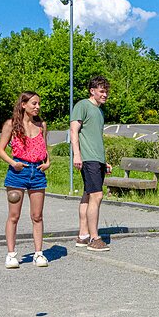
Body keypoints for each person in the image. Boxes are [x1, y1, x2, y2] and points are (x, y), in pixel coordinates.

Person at [0, 91, 52, 268]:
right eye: (34, 103)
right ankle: (11, 254)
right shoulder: (11, 125)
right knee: (14, 215)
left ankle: (38, 253)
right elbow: (0, 150)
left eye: (38, 104)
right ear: (23, 105)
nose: (37, 107)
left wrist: (48, 162)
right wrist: (14, 163)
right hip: (17, 172)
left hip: (37, 173)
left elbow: (44, 147)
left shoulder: (42, 125)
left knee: (37, 215)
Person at [70, 76, 112, 252]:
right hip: (88, 159)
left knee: (88, 195)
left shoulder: (100, 111)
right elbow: (74, 130)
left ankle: (83, 235)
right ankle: (95, 238)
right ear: (92, 90)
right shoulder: (82, 106)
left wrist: (104, 161)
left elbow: (95, 137)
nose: (105, 95)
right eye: (102, 91)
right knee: (97, 196)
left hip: (97, 159)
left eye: (106, 92)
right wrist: (77, 155)